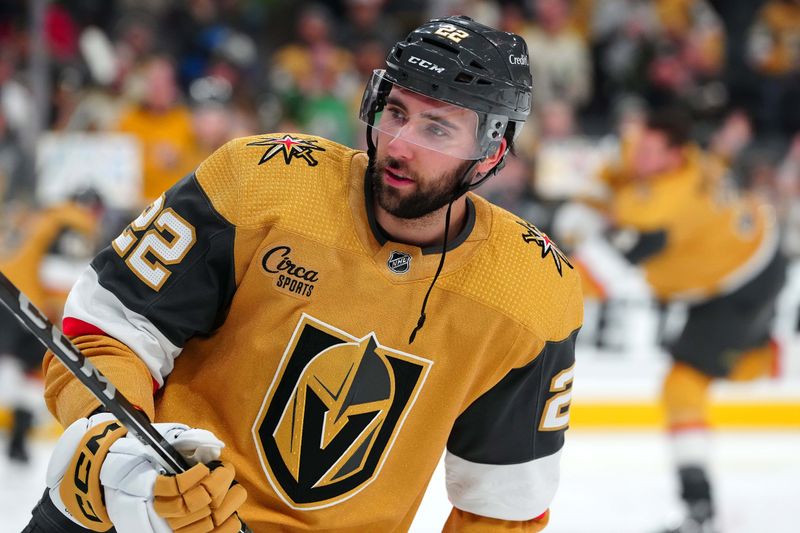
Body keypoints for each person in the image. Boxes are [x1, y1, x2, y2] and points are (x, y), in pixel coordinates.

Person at [27, 16, 582, 533]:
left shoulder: (531, 291)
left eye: (437, 130)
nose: (400, 144)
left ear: (491, 153)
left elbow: (502, 506)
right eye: (395, 112)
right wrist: (117, 452)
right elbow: (103, 333)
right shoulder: (261, 179)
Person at [575, 107, 785, 533]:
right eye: (641, 147)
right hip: (749, 249)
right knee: (700, 373)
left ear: (673, 157)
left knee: (682, 386)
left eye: (651, 153)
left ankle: (699, 511)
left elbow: (591, 276)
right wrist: (594, 197)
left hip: (738, 286)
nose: (639, 157)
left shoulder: (667, 209)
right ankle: (770, 360)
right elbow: (616, 169)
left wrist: (526, 285)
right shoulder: (673, 153)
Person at [0, 193, 101, 463]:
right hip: (24, 302)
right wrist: (61, 312)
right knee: (33, 372)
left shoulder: (48, 215)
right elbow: (57, 272)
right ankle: (18, 440)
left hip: (8, 289)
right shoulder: (72, 223)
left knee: (23, 371)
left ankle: (17, 441)